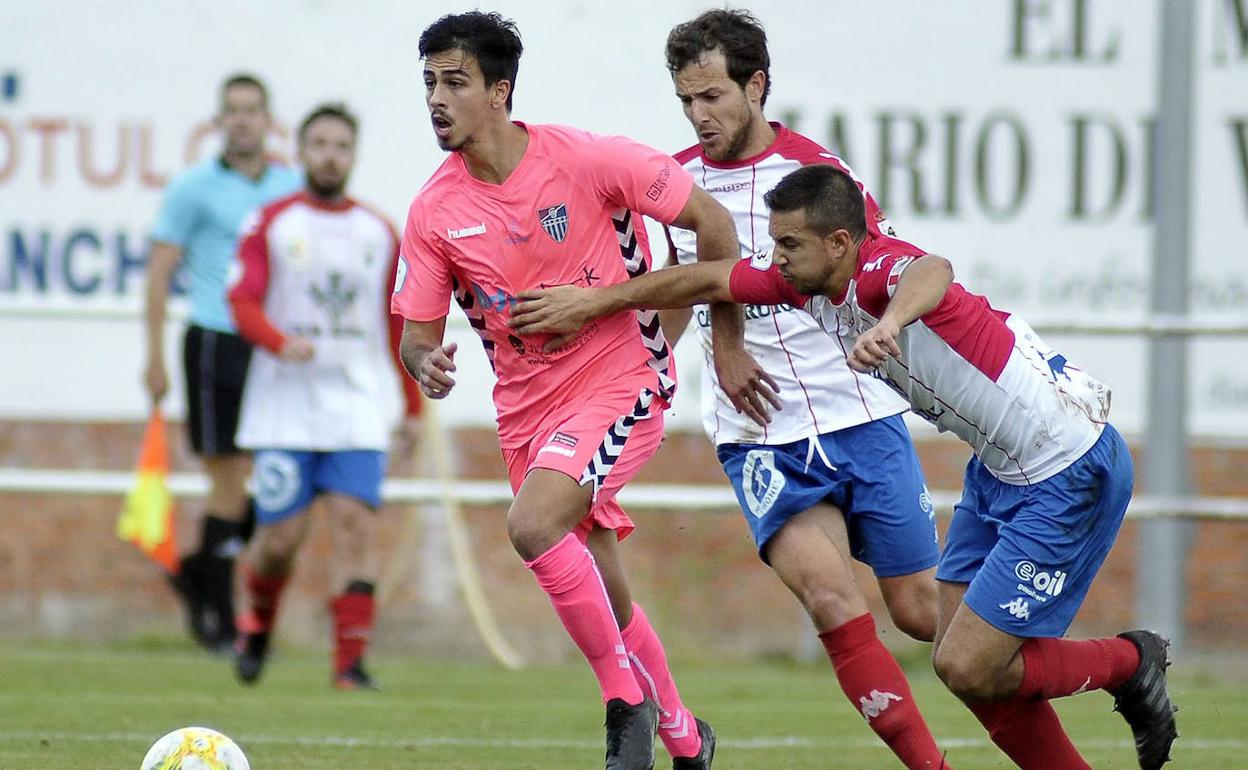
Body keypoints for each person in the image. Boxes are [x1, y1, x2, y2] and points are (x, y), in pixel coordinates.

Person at [510, 164, 1180, 770]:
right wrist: (595, 302)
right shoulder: (808, 283)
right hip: (1001, 468)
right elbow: (710, 279)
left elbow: (932, 269)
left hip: (1067, 465)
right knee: (957, 652)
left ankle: (1129, 662)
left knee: (968, 664)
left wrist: (891, 324)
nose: (776, 261)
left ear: (837, 241)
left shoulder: (877, 270)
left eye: (789, 246)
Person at [392, 11, 737, 769]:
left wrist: (657, 335)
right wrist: (427, 363)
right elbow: (417, 334)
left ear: (499, 91)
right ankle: (685, 737)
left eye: (455, 82)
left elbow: (716, 231)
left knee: (531, 525)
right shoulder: (434, 212)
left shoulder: (590, 160)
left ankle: (625, 702)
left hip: (618, 381)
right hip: (527, 413)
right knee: (604, 589)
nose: (437, 100)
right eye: (428, 84)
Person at [642, 10, 956, 769]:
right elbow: (679, 290)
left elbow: (883, 267)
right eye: (687, 100)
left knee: (921, 615)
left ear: (756, 86)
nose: (699, 115)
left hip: (862, 412)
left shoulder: (820, 174)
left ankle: (1112, 664)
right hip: (759, 434)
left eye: (713, 96)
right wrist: (647, 381)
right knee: (829, 597)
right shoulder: (673, 182)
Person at [226, 103, 422, 690]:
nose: (330, 155)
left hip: (357, 406)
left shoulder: (378, 231)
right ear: (302, 150)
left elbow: (398, 324)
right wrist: (277, 340)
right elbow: (242, 303)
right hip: (284, 408)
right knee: (280, 542)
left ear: (353, 154)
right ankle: (256, 625)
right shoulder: (272, 223)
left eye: (341, 145)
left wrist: (411, 408)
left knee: (356, 528)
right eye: (319, 144)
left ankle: (349, 667)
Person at [144, 73, 301, 652]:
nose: (241, 120)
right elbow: (160, 274)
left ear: (267, 120)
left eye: (251, 110)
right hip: (214, 338)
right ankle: (219, 617)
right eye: (231, 111)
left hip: (270, 346)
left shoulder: (289, 185)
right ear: (219, 121)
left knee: (277, 482)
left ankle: (194, 570)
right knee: (227, 483)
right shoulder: (192, 189)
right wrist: (153, 356)